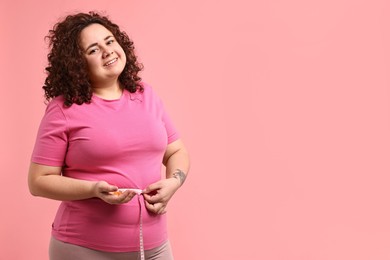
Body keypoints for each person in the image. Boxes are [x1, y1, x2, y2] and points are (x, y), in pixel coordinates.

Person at [28, 11, 189, 260]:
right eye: (93, 49)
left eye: (110, 41)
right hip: (84, 250)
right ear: (77, 63)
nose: (107, 51)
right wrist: (94, 189)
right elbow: (38, 181)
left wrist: (174, 182)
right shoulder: (63, 109)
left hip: (155, 247)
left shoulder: (146, 95)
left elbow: (176, 150)